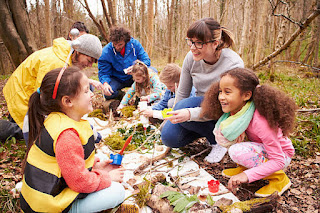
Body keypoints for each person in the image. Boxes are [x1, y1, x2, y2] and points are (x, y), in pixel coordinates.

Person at [20, 67, 126, 212]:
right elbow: (80, 183)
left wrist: (95, 168)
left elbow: (66, 165)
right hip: (48, 206)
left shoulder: (56, 120)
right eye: (86, 91)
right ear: (68, 101)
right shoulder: (67, 134)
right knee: (117, 191)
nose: (91, 95)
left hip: (40, 197)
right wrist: (106, 177)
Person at [200, 68, 297, 197]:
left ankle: (279, 179)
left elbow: (278, 160)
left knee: (238, 150)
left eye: (227, 92)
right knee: (235, 148)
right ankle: (246, 166)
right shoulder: (239, 112)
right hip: (263, 149)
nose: (221, 97)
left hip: (282, 155)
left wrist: (246, 176)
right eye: (220, 92)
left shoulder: (260, 121)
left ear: (246, 95)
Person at [161, 17, 244, 163]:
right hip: (199, 107)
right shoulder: (190, 58)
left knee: (183, 108)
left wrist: (188, 113)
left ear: (215, 43)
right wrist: (174, 115)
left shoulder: (233, 64)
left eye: (199, 43)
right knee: (169, 137)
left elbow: (229, 105)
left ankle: (218, 141)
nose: (192, 47)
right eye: (190, 41)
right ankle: (204, 131)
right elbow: (182, 92)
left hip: (223, 112)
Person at [2, 33, 103, 140]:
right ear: (78, 51)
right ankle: (6, 127)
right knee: (37, 133)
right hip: (21, 94)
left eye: (93, 62)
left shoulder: (67, 56)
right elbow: (45, 98)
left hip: (30, 91)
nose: (90, 65)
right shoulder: (56, 63)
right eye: (89, 60)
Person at [98, 26, 156, 100]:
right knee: (108, 93)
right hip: (117, 79)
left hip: (134, 76)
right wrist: (105, 83)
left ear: (126, 41)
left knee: (153, 71)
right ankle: (121, 95)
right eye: (114, 44)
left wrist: (136, 67)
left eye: (120, 44)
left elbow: (146, 60)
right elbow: (103, 72)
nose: (117, 47)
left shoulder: (135, 45)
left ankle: (142, 96)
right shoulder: (106, 52)